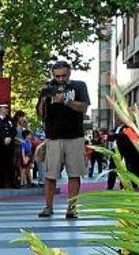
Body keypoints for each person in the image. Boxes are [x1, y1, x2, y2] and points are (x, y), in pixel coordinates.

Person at [36, 60, 90, 218]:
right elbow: (41, 115)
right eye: (57, 76)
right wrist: (43, 98)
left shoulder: (79, 86)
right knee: (50, 175)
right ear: (52, 74)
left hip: (75, 136)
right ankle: (48, 207)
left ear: (70, 73)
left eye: (63, 76)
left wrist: (65, 101)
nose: (60, 79)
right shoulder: (47, 87)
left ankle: (72, 209)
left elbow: (84, 107)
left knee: (74, 174)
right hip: (53, 137)